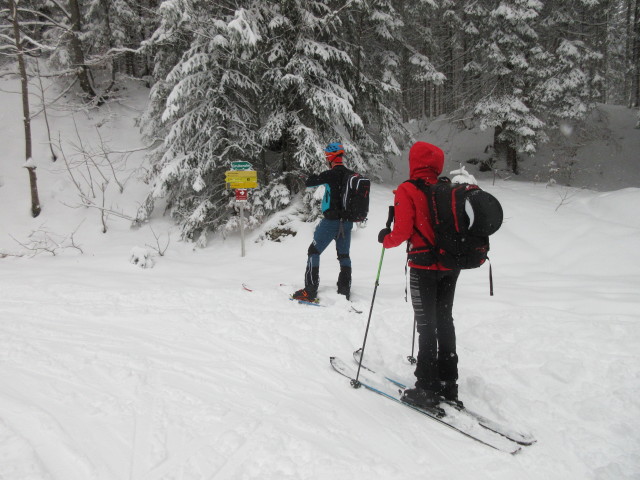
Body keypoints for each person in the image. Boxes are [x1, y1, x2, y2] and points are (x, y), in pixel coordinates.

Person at [377, 141, 462, 408]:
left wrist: (385, 239)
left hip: (423, 266)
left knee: (426, 325)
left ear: (414, 162)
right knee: (445, 320)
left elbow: (401, 232)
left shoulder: (408, 189)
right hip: (450, 265)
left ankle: (426, 387)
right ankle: (448, 383)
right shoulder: (447, 189)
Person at [292, 142, 355, 303]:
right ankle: (344, 290)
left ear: (330, 158)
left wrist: (304, 176)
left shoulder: (330, 174)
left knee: (313, 251)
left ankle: (310, 290)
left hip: (331, 222)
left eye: (327, 157)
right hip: (347, 222)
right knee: (344, 255)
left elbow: (309, 182)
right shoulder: (352, 175)